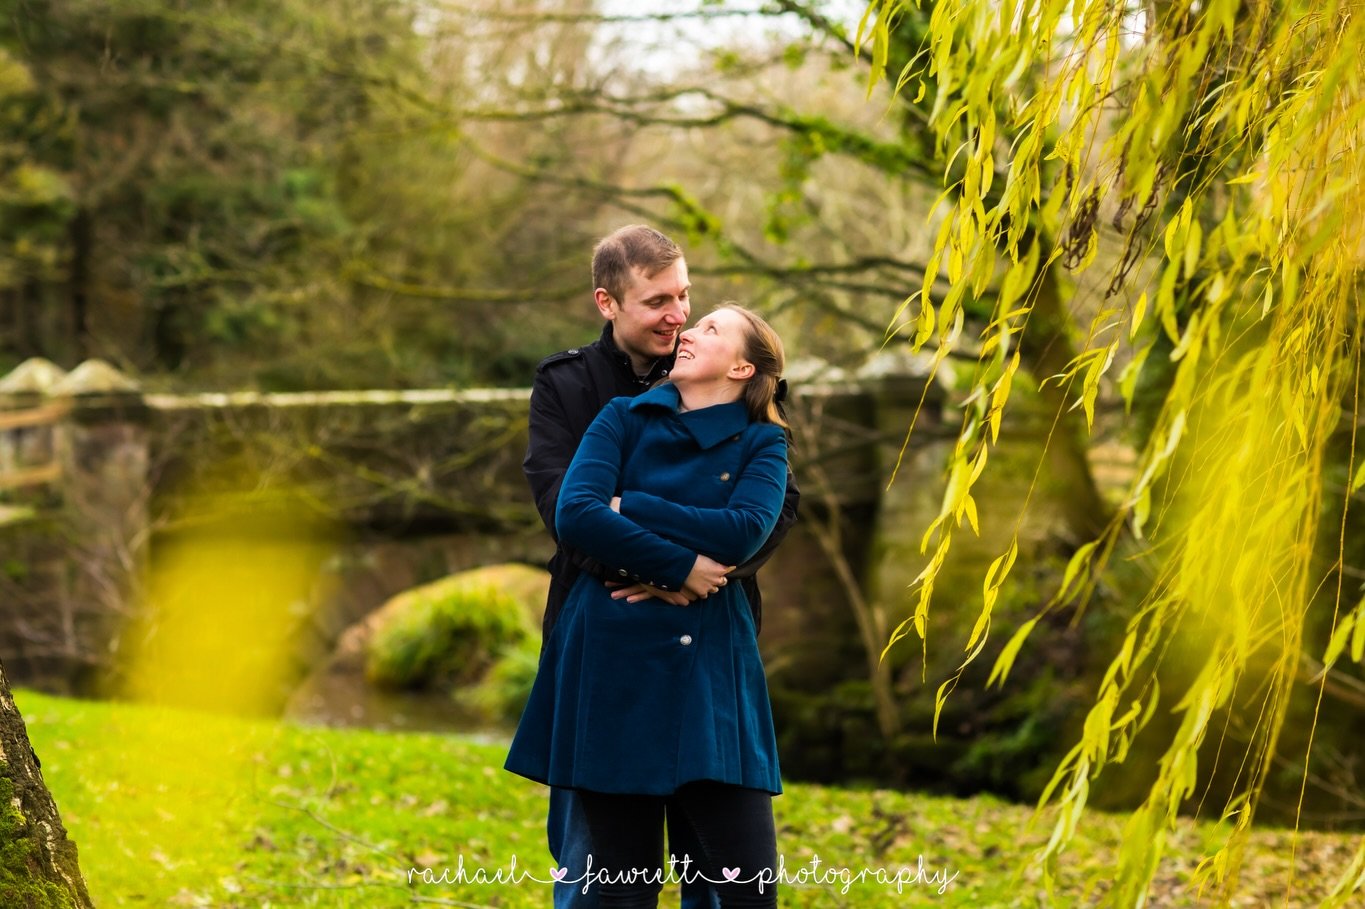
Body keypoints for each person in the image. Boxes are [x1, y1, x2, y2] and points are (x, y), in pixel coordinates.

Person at [521, 226, 797, 909]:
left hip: (707, 630)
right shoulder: (574, 389)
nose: (677, 316)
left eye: (686, 297)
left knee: (722, 866)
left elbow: (773, 512)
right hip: (609, 634)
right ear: (607, 303)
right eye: (658, 302)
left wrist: (712, 569)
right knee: (602, 870)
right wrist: (671, 566)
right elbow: (570, 510)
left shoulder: (751, 404)